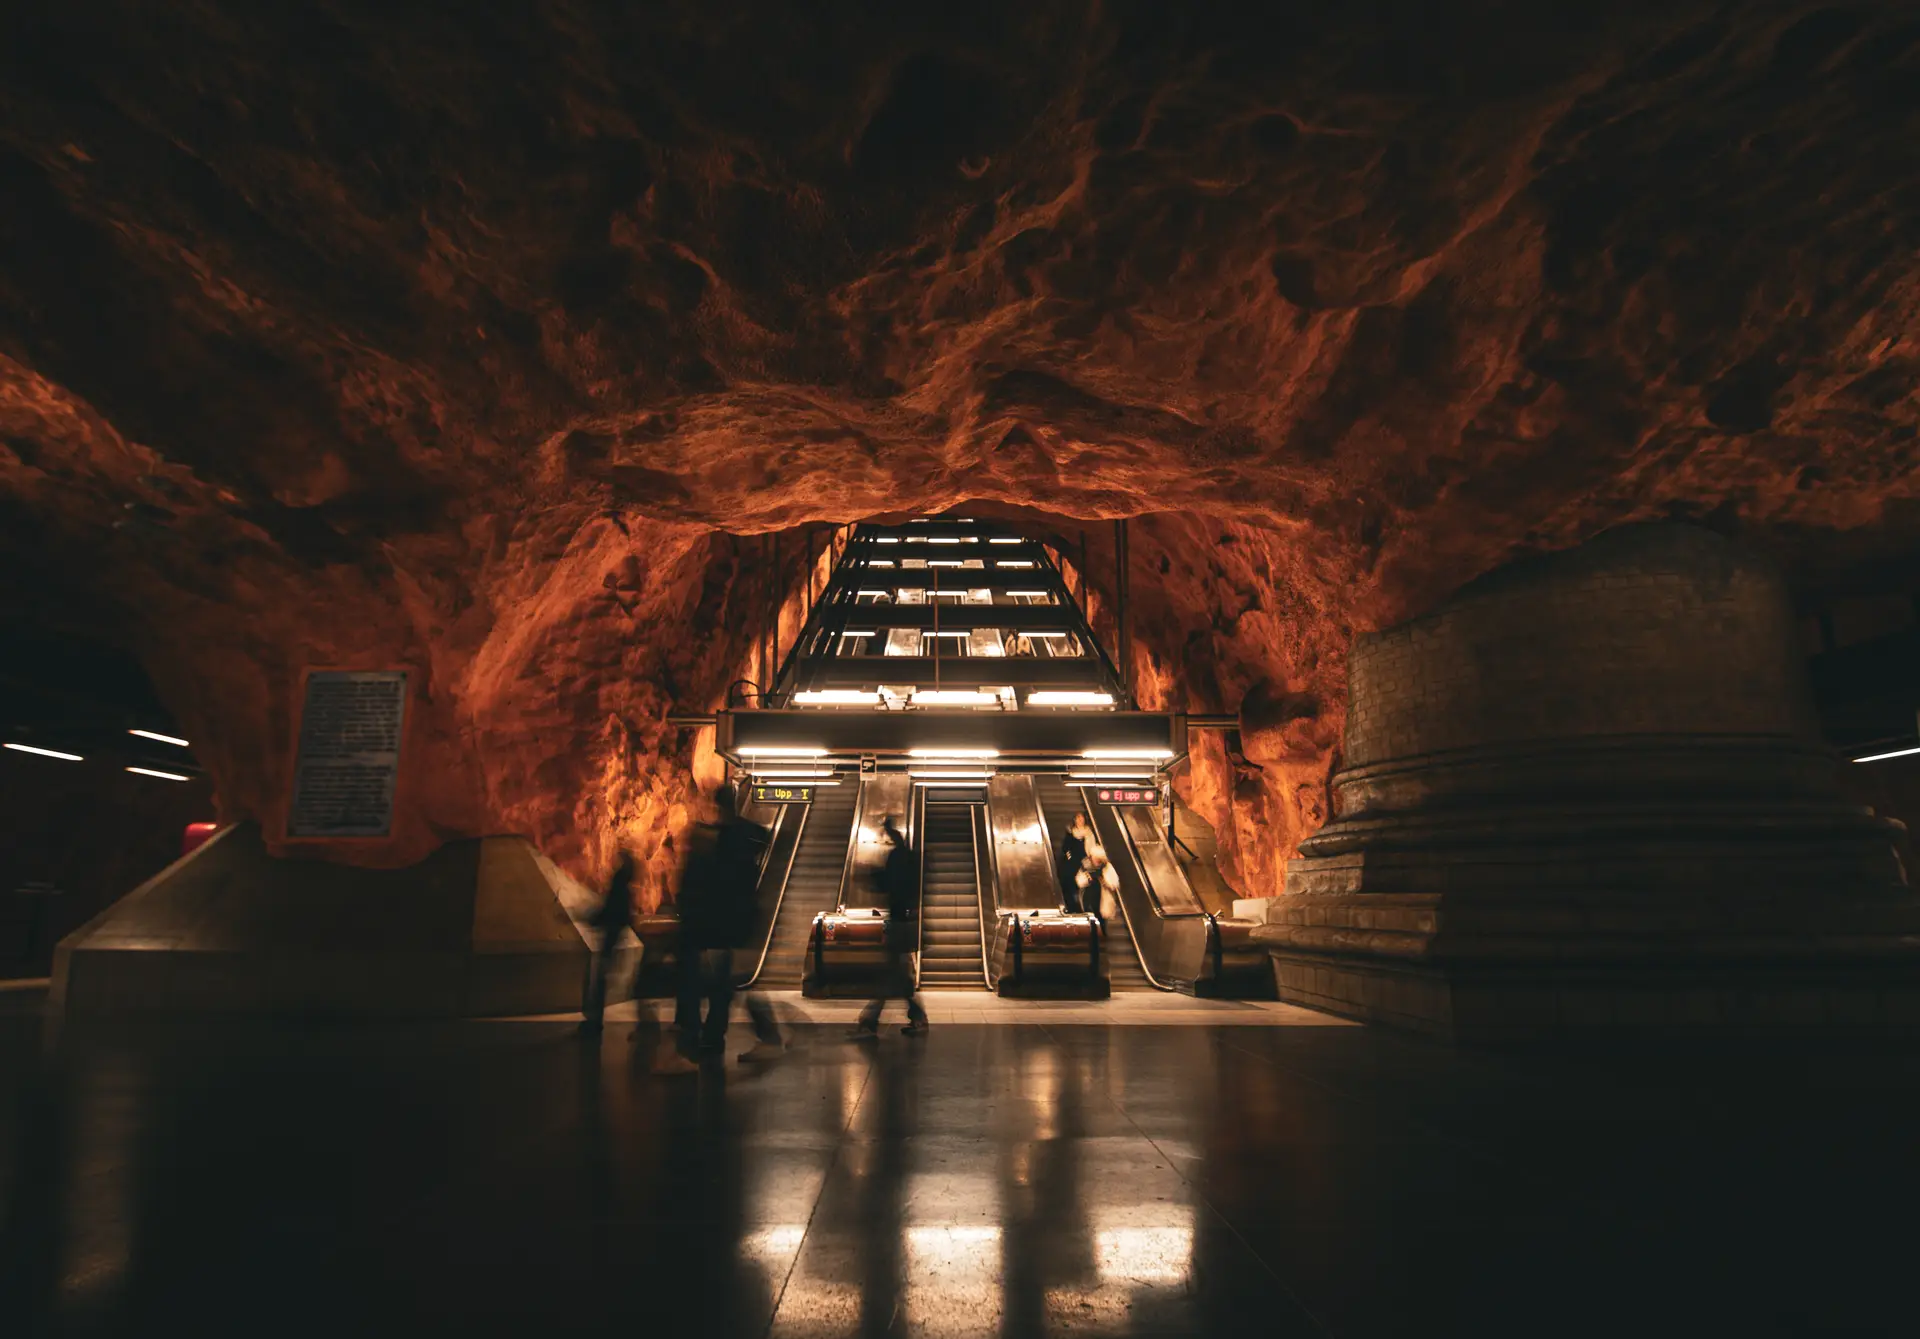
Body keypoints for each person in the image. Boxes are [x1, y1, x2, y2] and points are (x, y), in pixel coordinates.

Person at [657, 784, 782, 1073]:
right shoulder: (742, 837)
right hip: (733, 923)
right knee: (725, 984)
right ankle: (717, 1038)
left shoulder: (717, 840)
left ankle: (694, 1045)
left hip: (714, 924)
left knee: (705, 984)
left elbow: (703, 886)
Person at [848, 815, 929, 1040]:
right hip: (905, 920)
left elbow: (888, 884)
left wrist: (869, 875)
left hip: (900, 922)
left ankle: (869, 1024)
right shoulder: (911, 859)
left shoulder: (900, 858)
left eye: (889, 834)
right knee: (896, 976)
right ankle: (915, 1018)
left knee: (890, 976)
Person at [579, 850, 634, 1037]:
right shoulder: (625, 889)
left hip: (609, 940)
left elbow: (609, 912)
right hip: (613, 939)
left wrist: (589, 918)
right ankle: (594, 1021)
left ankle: (593, 1023)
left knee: (598, 982)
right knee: (599, 981)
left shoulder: (618, 888)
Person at [1058, 812, 1092, 911]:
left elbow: (1092, 849)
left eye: (1082, 818)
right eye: (1078, 818)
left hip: (1085, 865)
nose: (1080, 820)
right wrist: (1071, 859)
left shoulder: (1089, 833)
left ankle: (1083, 909)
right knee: (1070, 888)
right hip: (1071, 866)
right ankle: (1073, 908)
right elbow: (1065, 848)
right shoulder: (1070, 833)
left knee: (1084, 890)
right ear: (1075, 820)